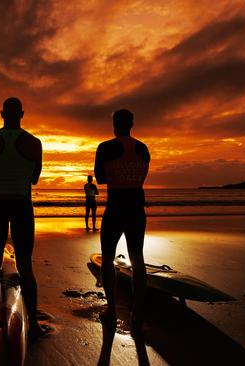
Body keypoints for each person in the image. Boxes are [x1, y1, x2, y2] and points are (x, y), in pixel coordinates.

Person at [0, 97, 44, 339]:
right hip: (22, 204)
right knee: (26, 265)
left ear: (2, 114)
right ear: (22, 114)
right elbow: (34, 179)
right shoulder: (34, 143)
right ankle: (33, 323)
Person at [94, 108, 150, 332]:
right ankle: (138, 312)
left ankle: (111, 309)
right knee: (138, 259)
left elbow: (100, 178)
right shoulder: (143, 148)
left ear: (114, 124)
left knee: (107, 258)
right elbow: (141, 175)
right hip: (136, 205)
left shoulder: (105, 147)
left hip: (116, 205)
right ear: (132, 123)